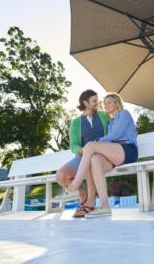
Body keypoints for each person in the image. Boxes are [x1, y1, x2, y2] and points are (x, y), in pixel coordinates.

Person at [67, 92, 138, 218]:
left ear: (117, 103)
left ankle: (74, 186)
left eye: (109, 102)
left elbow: (115, 135)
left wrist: (96, 143)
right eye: (104, 103)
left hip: (128, 149)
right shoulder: (110, 121)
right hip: (115, 153)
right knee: (94, 159)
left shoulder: (124, 114)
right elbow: (110, 140)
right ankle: (105, 206)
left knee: (90, 146)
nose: (106, 105)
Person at [55, 89, 110, 218]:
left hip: (101, 154)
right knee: (61, 176)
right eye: (94, 101)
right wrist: (81, 150)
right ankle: (82, 195)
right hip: (82, 155)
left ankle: (89, 204)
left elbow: (113, 132)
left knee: (92, 163)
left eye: (98, 100)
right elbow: (73, 145)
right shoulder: (75, 123)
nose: (98, 103)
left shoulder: (104, 116)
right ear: (85, 102)